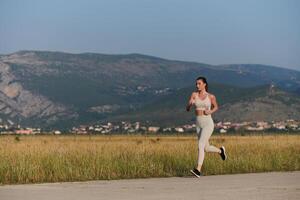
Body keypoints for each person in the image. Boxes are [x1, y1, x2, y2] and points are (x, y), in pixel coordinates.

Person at [186, 76, 227, 177]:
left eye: (199, 83)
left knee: (200, 144)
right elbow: (187, 108)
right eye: (196, 84)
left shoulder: (211, 96)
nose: (197, 85)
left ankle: (198, 169)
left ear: (204, 84)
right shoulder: (194, 94)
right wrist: (189, 105)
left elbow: (216, 106)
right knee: (206, 148)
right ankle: (220, 151)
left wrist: (210, 111)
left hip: (208, 122)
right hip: (198, 123)